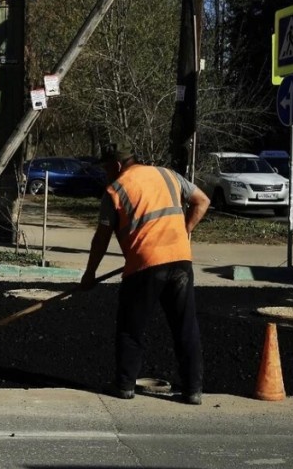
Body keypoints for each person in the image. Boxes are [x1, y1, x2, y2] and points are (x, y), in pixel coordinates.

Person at [80, 145, 211, 405]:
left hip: (145, 265)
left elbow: (102, 237)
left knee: (131, 328)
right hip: (180, 260)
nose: (105, 173)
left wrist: (90, 274)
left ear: (118, 165)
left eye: (106, 168)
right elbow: (202, 201)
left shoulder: (115, 189)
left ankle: (124, 385)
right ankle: (193, 390)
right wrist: (184, 232)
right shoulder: (168, 175)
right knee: (185, 327)